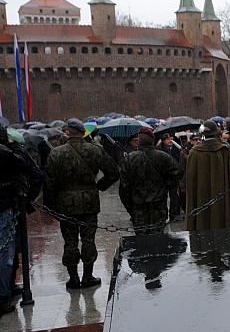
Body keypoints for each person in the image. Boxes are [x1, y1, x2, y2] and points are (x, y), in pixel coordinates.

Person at [44, 118, 119, 289]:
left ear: (68, 132)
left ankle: (73, 278)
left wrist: (51, 206)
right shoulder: (95, 150)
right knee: (88, 239)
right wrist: (99, 186)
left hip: (65, 203)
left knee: (69, 240)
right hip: (88, 201)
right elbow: (113, 172)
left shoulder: (56, 153)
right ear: (83, 132)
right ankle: (87, 276)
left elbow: (48, 182)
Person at [0, 125, 43, 315]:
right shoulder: (8, 155)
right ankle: (3, 294)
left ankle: (7, 287)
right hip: (5, 206)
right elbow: (34, 173)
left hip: (7, 205)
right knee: (6, 253)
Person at [119, 128, 183, 235]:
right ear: (152, 140)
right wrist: (165, 185)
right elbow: (178, 172)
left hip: (138, 208)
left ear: (139, 141)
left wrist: (131, 208)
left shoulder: (130, 159)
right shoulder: (163, 156)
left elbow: (124, 188)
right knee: (158, 241)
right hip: (158, 206)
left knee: (141, 242)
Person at [185, 120, 230, 231]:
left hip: (201, 197)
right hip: (222, 197)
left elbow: (190, 177)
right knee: (222, 220)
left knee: (202, 221)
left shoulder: (194, 153)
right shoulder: (226, 150)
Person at [157, 133, 181, 219]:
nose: (170, 140)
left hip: (173, 176)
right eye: (168, 139)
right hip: (164, 177)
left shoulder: (177, 149)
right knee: (163, 196)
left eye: (171, 138)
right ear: (163, 141)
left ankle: (173, 214)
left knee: (174, 196)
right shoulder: (160, 150)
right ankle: (163, 214)